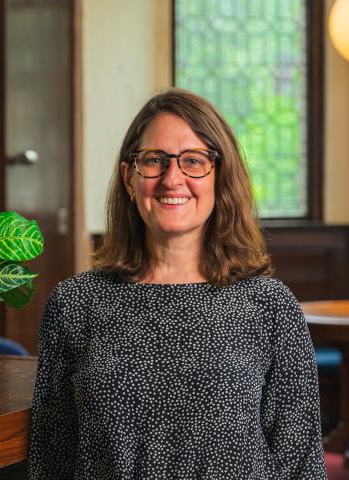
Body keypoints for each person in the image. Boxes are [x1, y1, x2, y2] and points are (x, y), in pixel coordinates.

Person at [28, 88, 327, 479]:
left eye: (193, 161)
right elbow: (51, 460)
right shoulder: (76, 303)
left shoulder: (269, 305)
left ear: (220, 177)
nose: (173, 179)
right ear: (129, 178)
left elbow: (300, 464)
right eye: (154, 160)